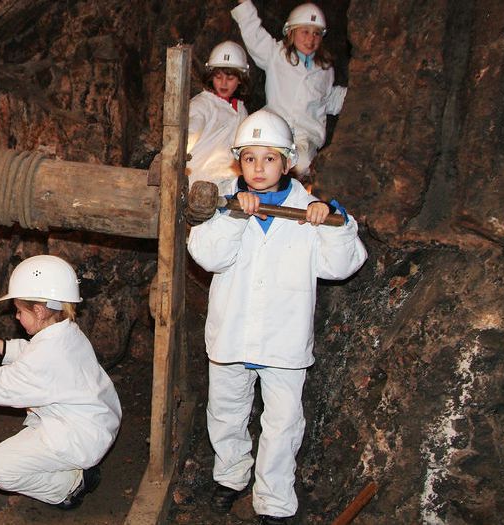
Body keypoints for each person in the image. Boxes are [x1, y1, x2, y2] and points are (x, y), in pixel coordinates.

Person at [186, 110, 367, 524]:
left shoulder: (309, 211)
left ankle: (273, 502)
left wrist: (333, 226)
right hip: (231, 335)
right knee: (226, 412)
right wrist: (233, 215)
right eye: (250, 159)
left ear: (287, 162)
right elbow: (208, 255)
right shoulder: (221, 199)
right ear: (239, 161)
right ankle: (230, 478)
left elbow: (342, 266)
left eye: (269, 159)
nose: (259, 168)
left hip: (283, 341)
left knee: (282, 424)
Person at [0, 255, 121, 510]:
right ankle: (69, 469)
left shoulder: (47, 356)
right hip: (96, 419)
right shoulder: (66, 331)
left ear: (38, 311)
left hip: (80, 437)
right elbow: (34, 354)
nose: (16, 317)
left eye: (19, 310)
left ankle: (71, 486)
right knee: (32, 418)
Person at [232, 0, 347, 179]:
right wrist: (245, 5)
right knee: (260, 159)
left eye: (316, 34)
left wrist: (356, 95)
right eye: (305, 32)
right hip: (274, 127)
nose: (311, 39)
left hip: (305, 135)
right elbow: (254, 35)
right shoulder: (276, 55)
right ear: (291, 32)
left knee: (299, 166)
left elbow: (329, 99)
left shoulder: (325, 69)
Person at [187, 40, 250, 186]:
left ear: (240, 80)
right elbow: (190, 131)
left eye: (230, 78)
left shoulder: (241, 110)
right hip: (198, 178)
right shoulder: (202, 104)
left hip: (229, 178)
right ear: (211, 77)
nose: (223, 83)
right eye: (218, 77)